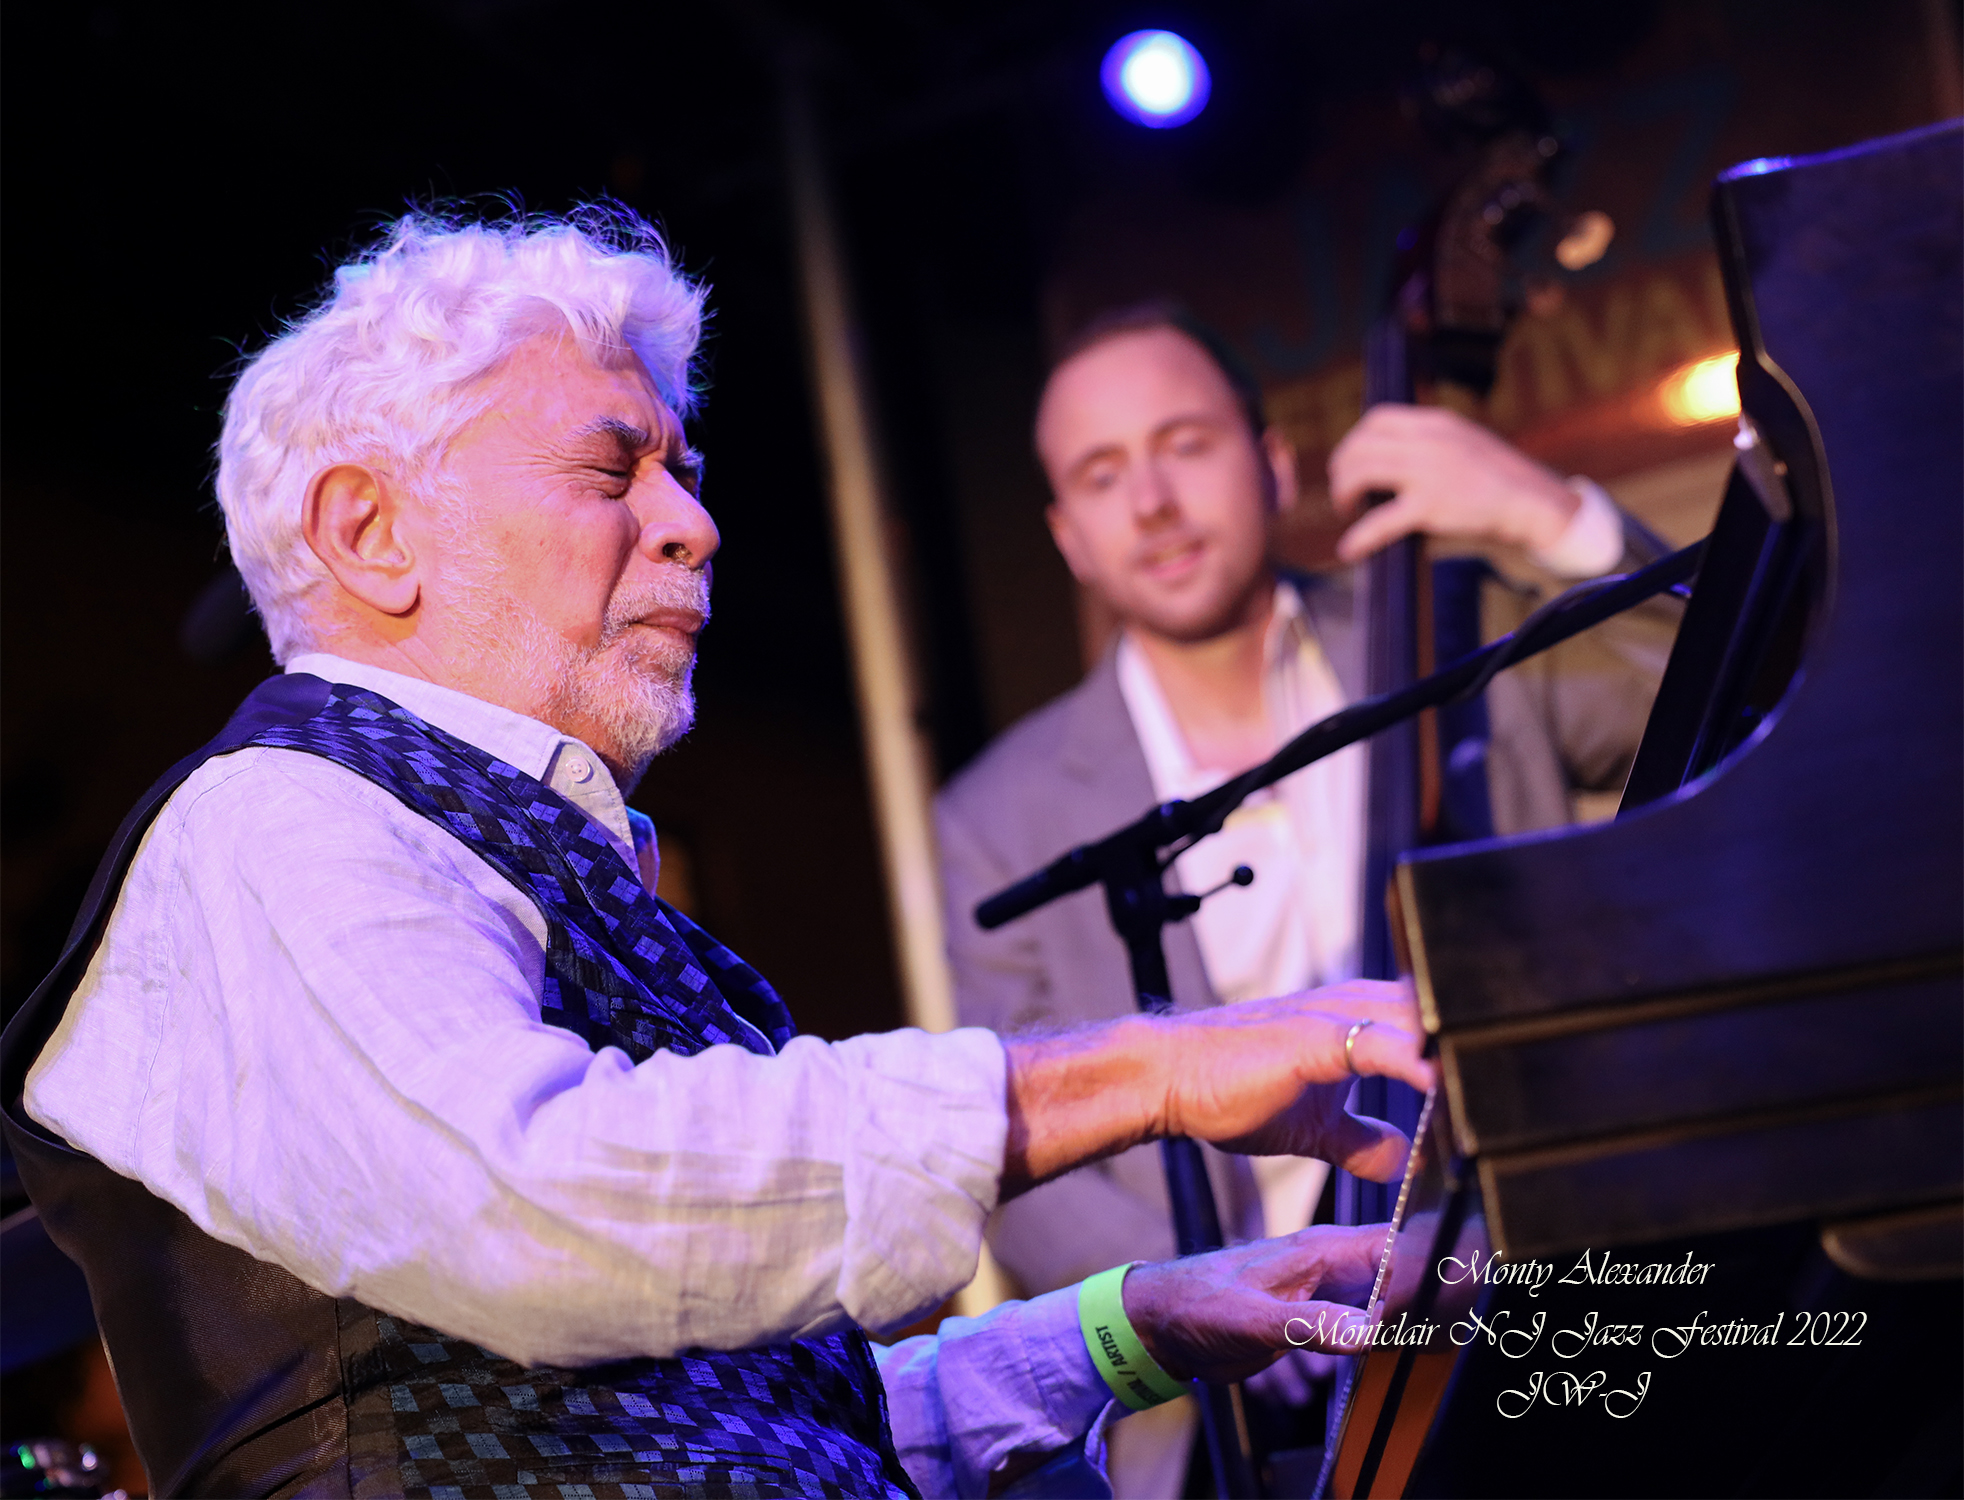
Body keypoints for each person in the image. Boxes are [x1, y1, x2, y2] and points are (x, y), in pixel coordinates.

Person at [0, 211, 1440, 1500]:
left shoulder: (532, 858)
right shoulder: (273, 826)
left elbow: (759, 1423)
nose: (694, 526)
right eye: (611, 467)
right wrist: (1158, 1070)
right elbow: (544, 1209)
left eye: (684, 472)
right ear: (371, 532)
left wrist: (1141, 1322)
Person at [935, 304, 1680, 1493]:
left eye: (1183, 444)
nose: (1153, 503)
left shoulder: (1449, 626)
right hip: (1227, 1417)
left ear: (1271, 461)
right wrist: (1214, 1295)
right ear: (1067, 534)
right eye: (1102, 473)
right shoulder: (995, 815)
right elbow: (1025, 1154)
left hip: (1540, 1293)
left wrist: (1553, 515)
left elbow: (1707, 701)